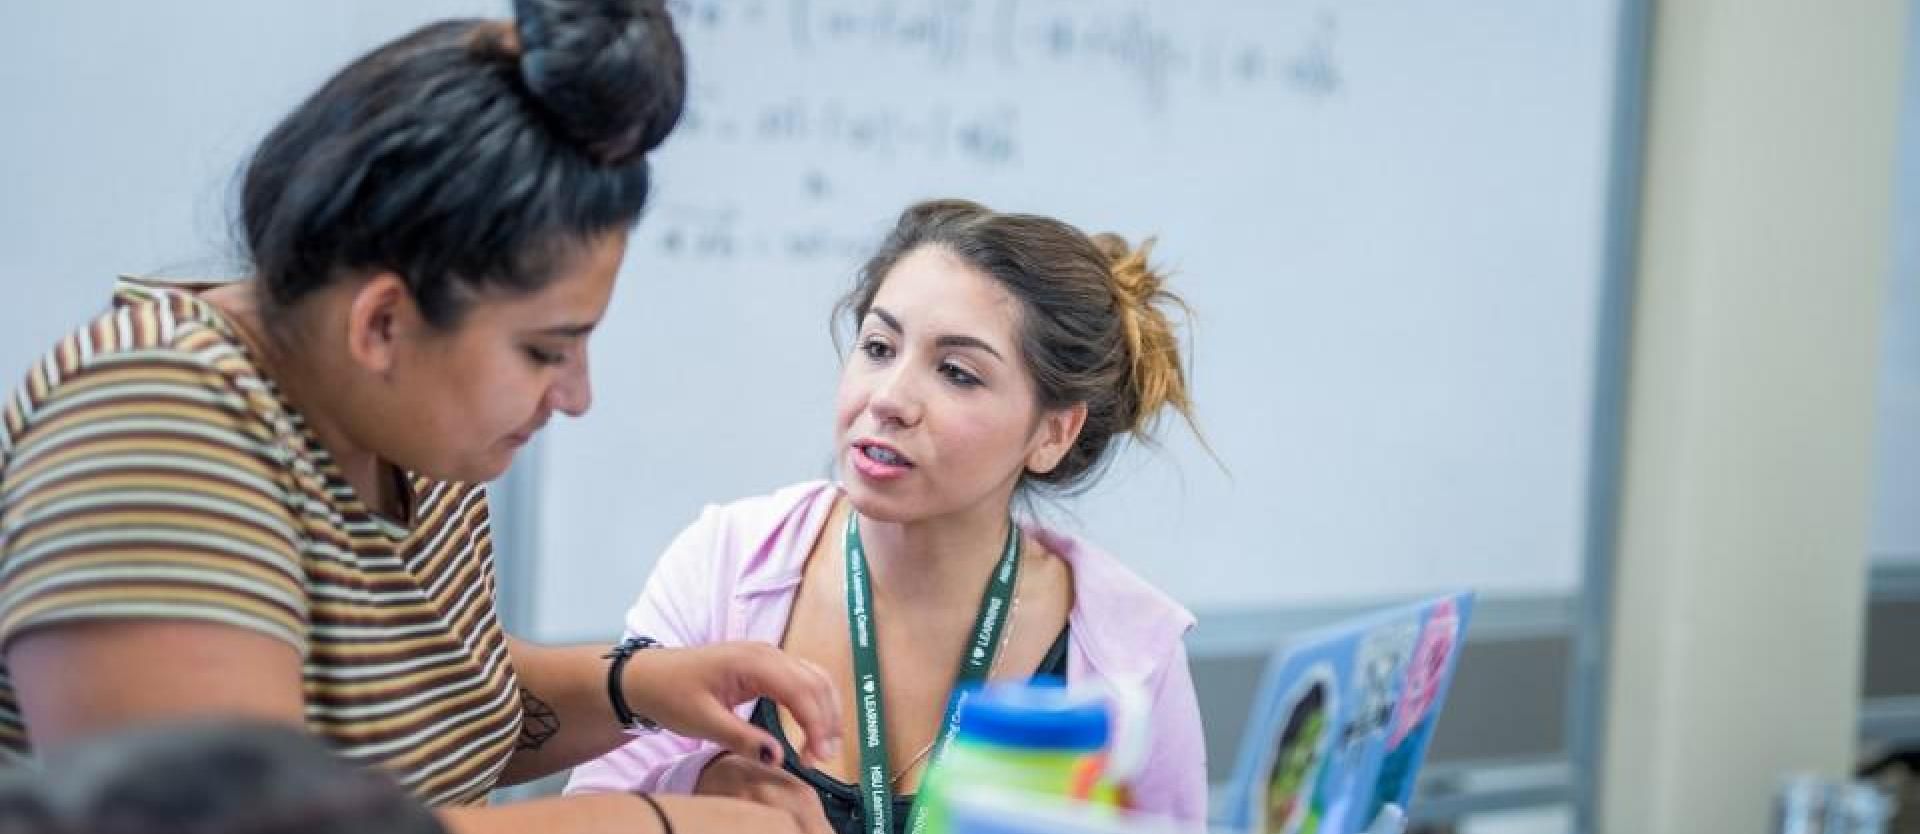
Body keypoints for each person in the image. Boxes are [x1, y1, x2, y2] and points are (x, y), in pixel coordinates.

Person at [0, 3, 843, 833]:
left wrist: (637, 687)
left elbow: (437, 708)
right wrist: (652, 825)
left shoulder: (404, 432)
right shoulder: (152, 421)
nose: (575, 396)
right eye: (546, 351)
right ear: (382, 324)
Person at [566, 199, 1211, 832]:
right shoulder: (726, 561)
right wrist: (694, 792)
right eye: (878, 347)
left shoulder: (1134, 655)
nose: (890, 398)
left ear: (1053, 434)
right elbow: (585, 814)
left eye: (956, 372)